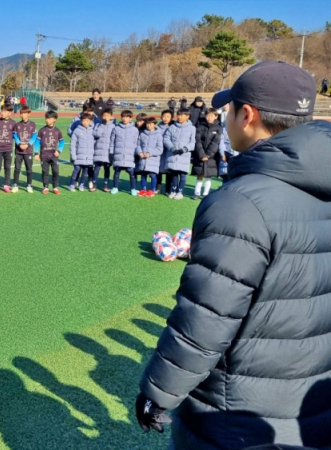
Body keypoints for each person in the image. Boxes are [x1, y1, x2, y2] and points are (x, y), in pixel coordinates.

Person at [136, 60, 331, 450]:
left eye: (229, 110)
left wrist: (159, 392)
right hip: (311, 407)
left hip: (236, 412)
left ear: (248, 115)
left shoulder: (241, 202)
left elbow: (208, 316)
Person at [163, 108, 196, 200]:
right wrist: (172, 148)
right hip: (173, 154)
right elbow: (166, 139)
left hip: (184, 155)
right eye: (178, 115)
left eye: (182, 115)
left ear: (187, 116)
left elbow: (193, 142)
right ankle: (173, 191)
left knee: (182, 174)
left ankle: (180, 192)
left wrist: (185, 149)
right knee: (174, 173)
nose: (179, 117)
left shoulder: (192, 128)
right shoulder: (172, 127)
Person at [191, 108, 222, 199]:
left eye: (211, 116)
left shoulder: (218, 128)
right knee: (200, 174)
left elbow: (215, 142)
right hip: (200, 155)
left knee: (209, 175)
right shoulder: (200, 127)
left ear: (216, 116)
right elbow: (197, 141)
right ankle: (196, 193)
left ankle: (206, 194)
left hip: (212, 157)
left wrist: (208, 155)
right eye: (207, 116)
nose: (209, 118)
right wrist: (201, 154)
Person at [34, 110, 64, 194]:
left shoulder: (57, 131)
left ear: (54, 119)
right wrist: (36, 153)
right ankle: (45, 187)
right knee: (45, 172)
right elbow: (37, 142)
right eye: (46, 118)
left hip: (54, 156)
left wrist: (59, 151)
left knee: (56, 172)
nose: (47, 120)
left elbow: (62, 142)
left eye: (49, 118)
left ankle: (55, 187)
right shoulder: (42, 130)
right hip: (44, 155)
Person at [109, 110, 139, 195]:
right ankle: (115, 187)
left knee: (131, 173)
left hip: (129, 156)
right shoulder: (116, 128)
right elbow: (112, 142)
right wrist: (111, 152)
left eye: (127, 117)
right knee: (117, 172)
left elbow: (136, 142)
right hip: (118, 155)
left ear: (131, 118)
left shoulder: (134, 130)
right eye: (123, 117)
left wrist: (136, 154)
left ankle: (133, 189)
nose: (124, 119)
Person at [135, 117, 163, 197]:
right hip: (143, 159)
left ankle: (152, 190)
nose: (148, 125)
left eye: (150, 124)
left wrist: (150, 153)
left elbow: (160, 149)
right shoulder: (142, 134)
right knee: (143, 175)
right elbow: (138, 145)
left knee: (153, 175)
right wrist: (140, 152)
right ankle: (143, 190)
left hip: (153, 160)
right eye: (147, 124)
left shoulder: (158, 135)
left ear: (155, 125)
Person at [68, 112, 95, 192]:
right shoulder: (77, 131)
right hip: (78, 156)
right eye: (83, 121)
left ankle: (82, 184)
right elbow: (73, 144)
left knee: (85, 171)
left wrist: (92, 156)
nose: (85, 122)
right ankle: (72, 184)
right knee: (76, 170)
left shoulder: (92, 131)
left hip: (88, 157)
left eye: (87, 121)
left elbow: (94, 144)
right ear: (81, 121)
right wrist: (73, 155)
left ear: (90, 121)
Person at [12, 105, 36, 193]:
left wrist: (28, 144)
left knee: (29, 169)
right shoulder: (17, 125)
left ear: (29, 114)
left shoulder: (32, 124)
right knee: (17, 168)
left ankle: (29, 185)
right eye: (21, 113)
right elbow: (14, 135)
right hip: (18, 151)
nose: (22, 115)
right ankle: (15, 185)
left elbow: (34, 136)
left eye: (25, 113)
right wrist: (19, 144)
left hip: (28, 151)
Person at [0, 104, 16, 193]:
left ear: (10, 113)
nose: (2, 112)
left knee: (7, 167)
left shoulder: (13, 123)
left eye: (5, 111)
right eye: (2, 110)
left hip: (8, 148)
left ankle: (6, 185)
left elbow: (14, 135)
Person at [92, 109, 115, 192]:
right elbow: (96, 134)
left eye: (107, 116)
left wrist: (112, 152)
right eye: (104, 115)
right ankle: (94, 185)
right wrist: (102, 126)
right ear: (101, 116)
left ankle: (105, 185)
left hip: (108, 151)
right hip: (98, 150)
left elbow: (113, 139)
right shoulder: (98, 125)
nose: (105, 117)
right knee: (97, 168)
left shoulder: (113, 126)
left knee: (107, 168)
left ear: (111, 117)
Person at [157, 110, 175, 195]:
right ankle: (158, 188)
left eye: (168, 117)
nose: (165, 118)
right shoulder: (157, 128)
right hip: (160, 152)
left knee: (169, 171)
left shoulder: (174, 127)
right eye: (164, 116)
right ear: (161, 117)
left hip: (170, 151)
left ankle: (168, 189)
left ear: (171, 118)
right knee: (158, 170)